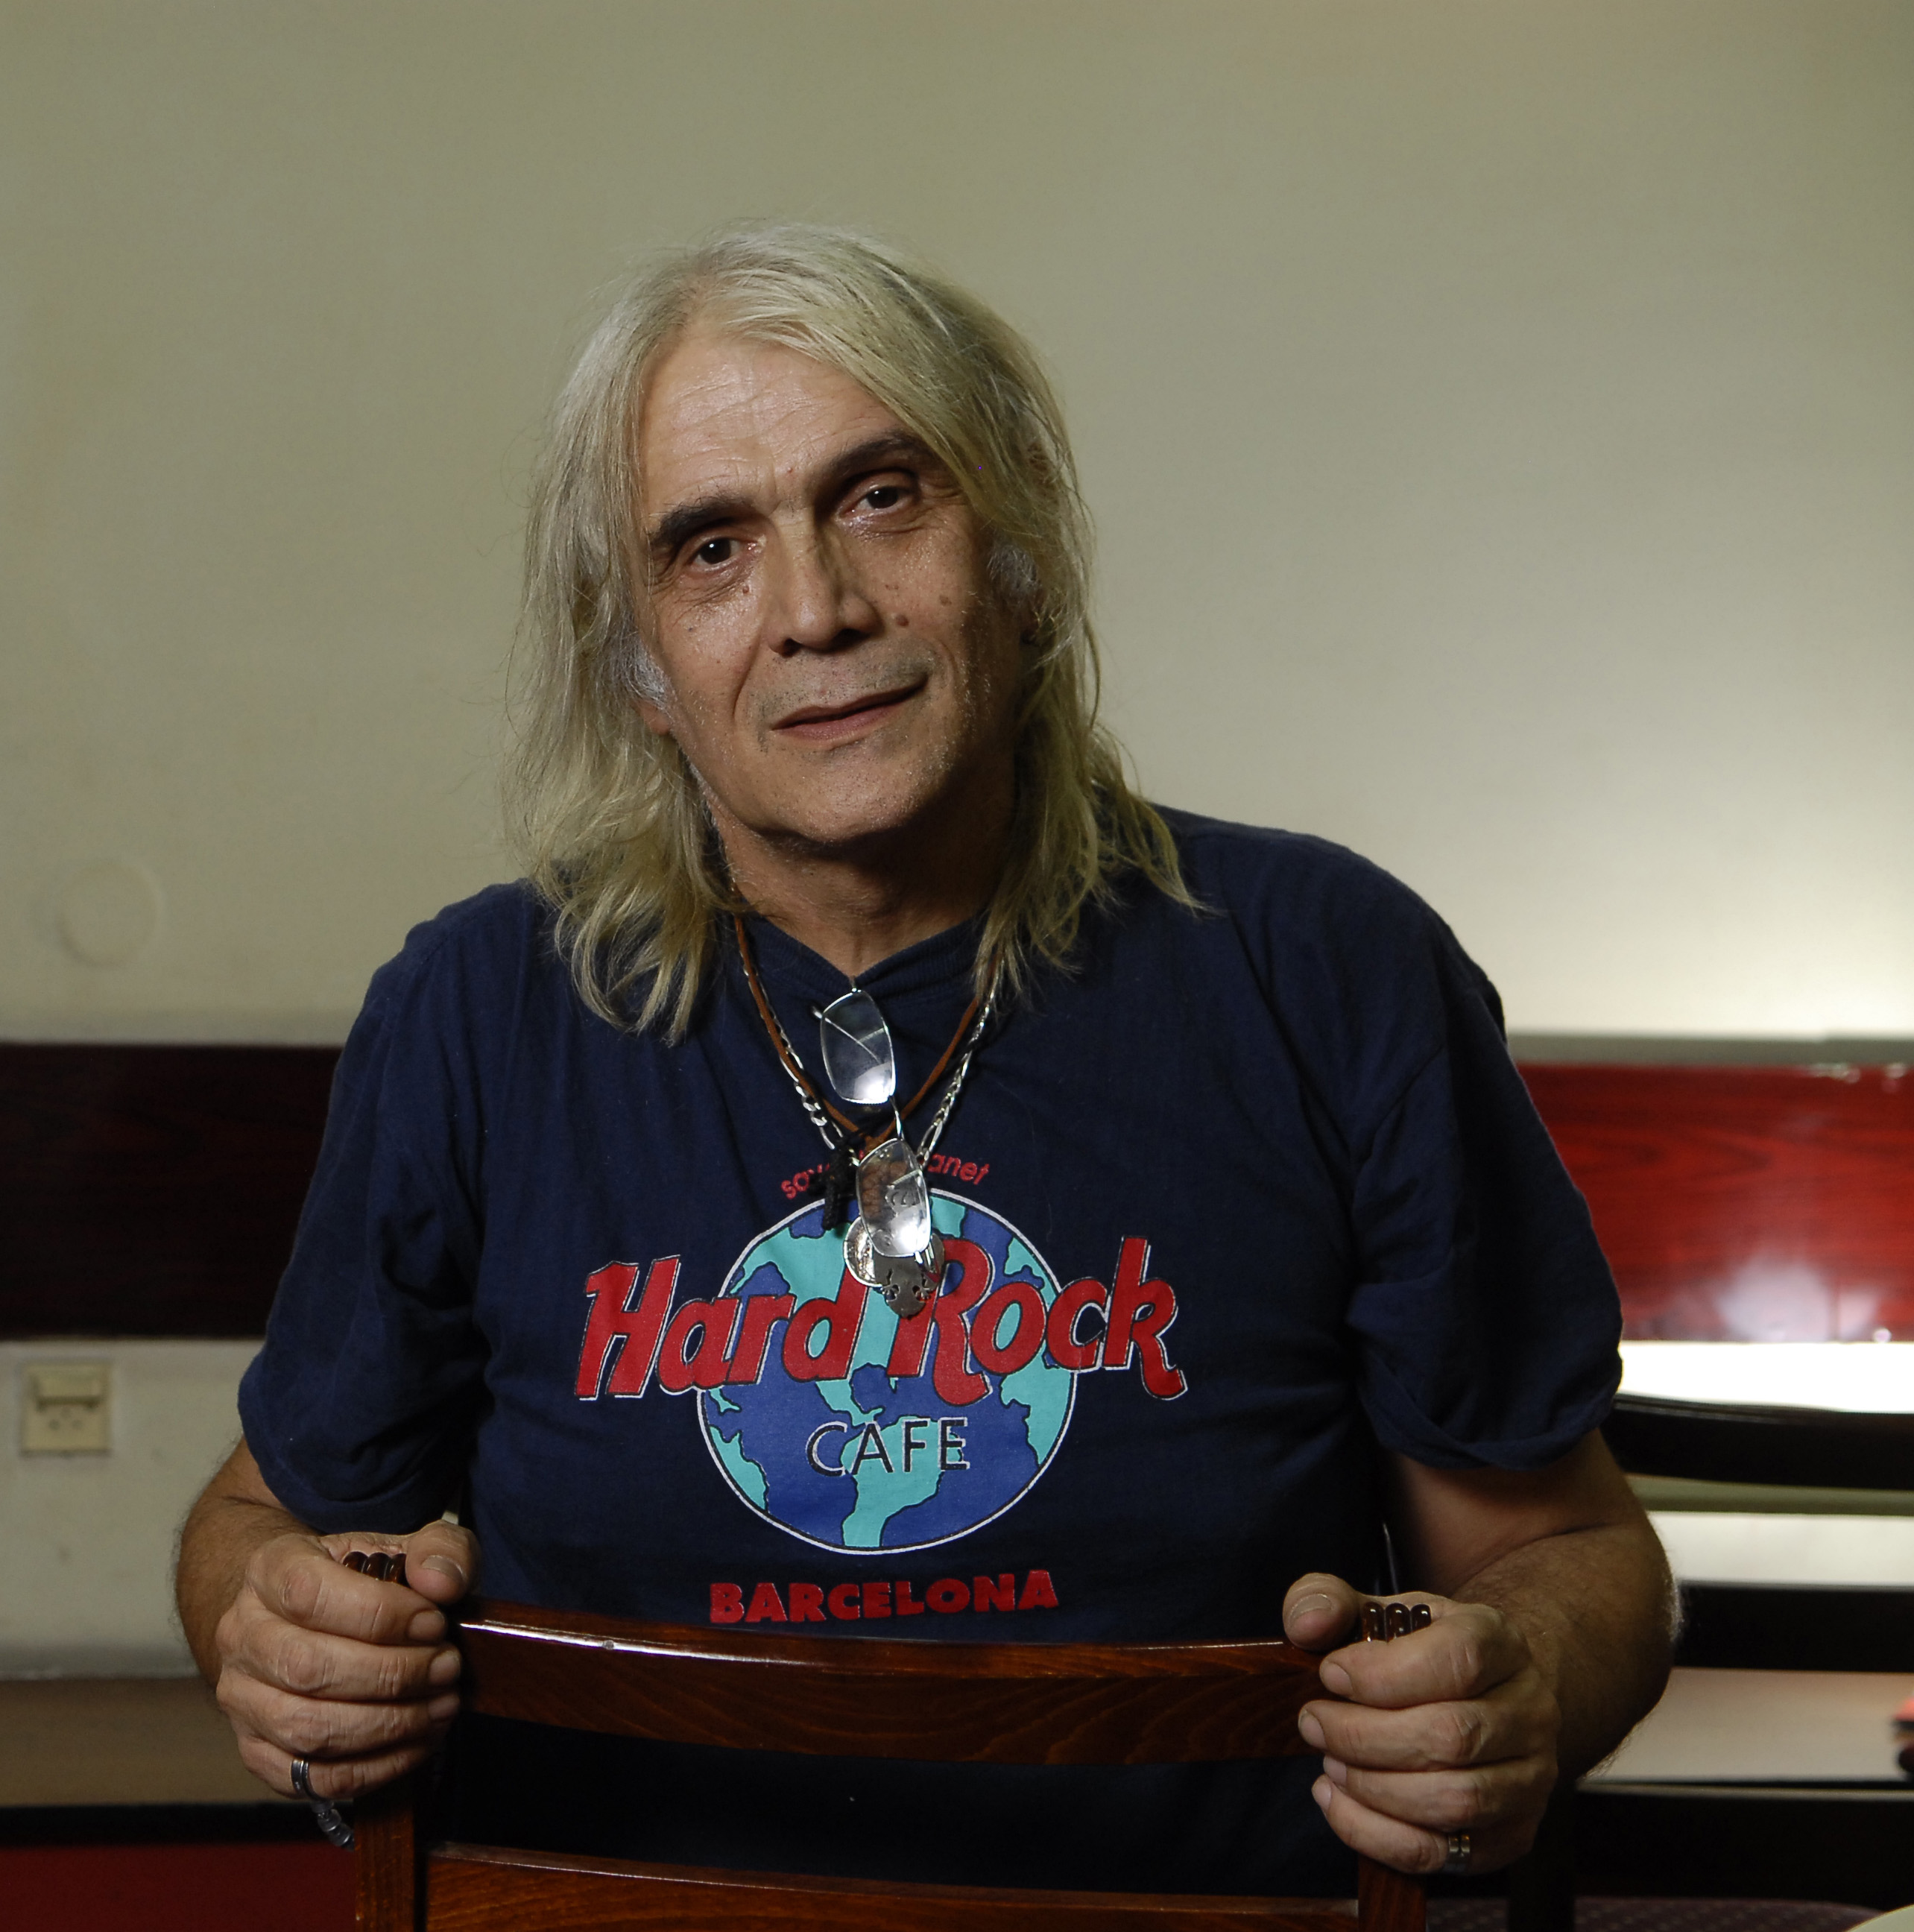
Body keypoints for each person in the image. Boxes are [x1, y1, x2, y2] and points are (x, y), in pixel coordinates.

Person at [174, 223, 1673, 1895]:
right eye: (711, 549)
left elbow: (1560, 1545)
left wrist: (1519, 1688)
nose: (815, 610)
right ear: (640, 668)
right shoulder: (477, 1010)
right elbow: (260, 1528)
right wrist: (282, 1643)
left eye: (882, 497)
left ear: (1019, 556)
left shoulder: (1328, 966)